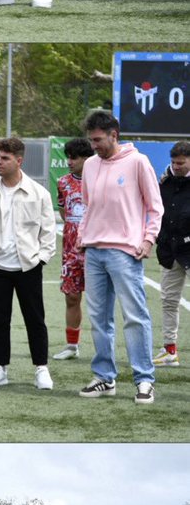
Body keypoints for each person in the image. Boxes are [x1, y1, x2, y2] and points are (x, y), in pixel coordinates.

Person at [77, 110, 163, 404]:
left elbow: (155, 207)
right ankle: (105, 377)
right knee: (99, 319)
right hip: (93, 251)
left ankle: (144, 380)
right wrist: (82, 238)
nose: (94, 146)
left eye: (98, 140)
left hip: (125, 252)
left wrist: (148, 240)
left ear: (114, 135)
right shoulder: (89, 165)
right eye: (91, 141)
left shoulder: (138, 162)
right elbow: (89, 206)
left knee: (135, 317)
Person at [0, 135, 56, 390]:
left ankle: (41, 369)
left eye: (5, 158)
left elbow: (48, 232)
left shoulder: (39, 194)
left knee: (35, 319)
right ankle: (0, 368)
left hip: (28, 266)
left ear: (19, 160)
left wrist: (41, 258)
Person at [53, 137, 92, 360]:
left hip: (94, 248)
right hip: (70, 251)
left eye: (74, 157)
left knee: (98, 300)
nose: (69, 161)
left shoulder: (98, 180)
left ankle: (102, 345)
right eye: (68, 157)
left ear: (87, 159)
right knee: (71, 297)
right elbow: (63, 212)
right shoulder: (63, 182)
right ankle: (71, 346)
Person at [153, 141, 190, 366]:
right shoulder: (163, 180)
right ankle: (170, 350)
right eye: (174, 162)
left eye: (181, 163)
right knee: (168, 300)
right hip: (170, 249)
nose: (176, 166)